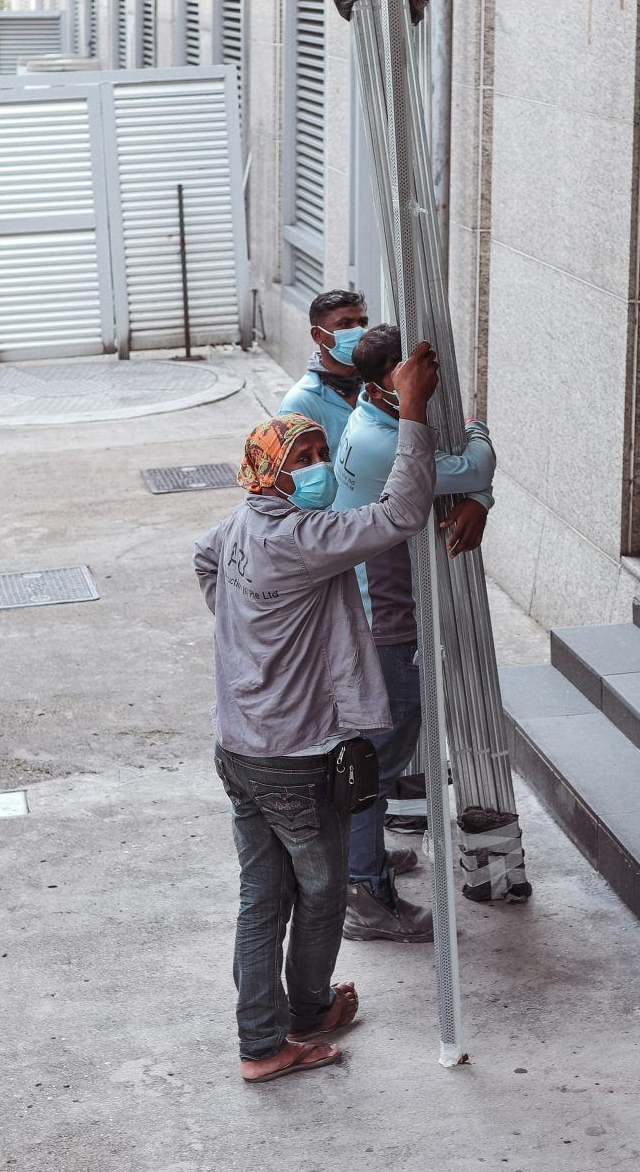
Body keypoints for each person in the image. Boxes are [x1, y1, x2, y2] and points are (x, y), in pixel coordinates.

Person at [193, 341, 442, 1083]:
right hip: (294, 759)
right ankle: (286, 1031)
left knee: (262, 896)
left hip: (241, 748)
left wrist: (248, 634)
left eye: (321, 453)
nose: (320, 468)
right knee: (324, 892)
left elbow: (202, 560)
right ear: (274, 473)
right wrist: (418, 409)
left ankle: (271, 1032)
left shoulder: (241, 525)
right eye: (305, 457)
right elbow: (401, 510)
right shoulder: (303, 539)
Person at [331, 323, 497, 942]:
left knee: (375, 759)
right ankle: (364, 896)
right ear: (391, 385)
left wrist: (472, 491)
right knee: (375, 764)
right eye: (421, 382)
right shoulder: (384, 442)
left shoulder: (370, 420)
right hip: (387, 627)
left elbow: (459, 479)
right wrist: (475, 433)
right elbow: (474, 461)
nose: (433, 393)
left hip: (379, 616)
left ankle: (363, 863)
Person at [278, 290, 372, 449]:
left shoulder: (377, 384)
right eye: (345, 324)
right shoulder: (300, 403)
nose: (358, 332)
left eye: (362, 323)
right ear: (317, 335)